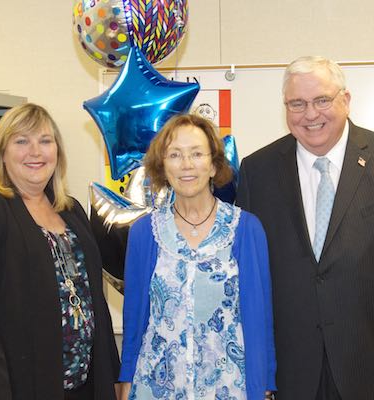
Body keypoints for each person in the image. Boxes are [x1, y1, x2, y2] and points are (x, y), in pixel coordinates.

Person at [236, 55, 374, 400]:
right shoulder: (257, 170)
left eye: (322, 100)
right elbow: (248, 276)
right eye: (297, 104)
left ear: (346, 100)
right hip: (290, 371)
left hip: (365, 365)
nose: (310, 114)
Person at [119, 114, 276, 400]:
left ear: (214, 165)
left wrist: (262, 385)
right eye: (175, 155)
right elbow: (135, 316)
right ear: (162, 166)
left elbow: (259, 317)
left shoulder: (245, 228)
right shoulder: (144, 232)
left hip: (228, 387)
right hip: (156, 387)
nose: (186, 164)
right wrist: (126, 377)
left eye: (196, 154)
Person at [0, 103, 120, 399]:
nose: (35, 152)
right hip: (23, 386)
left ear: (58, 152)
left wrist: (113, 376)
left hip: (85, 385)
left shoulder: (71, 210)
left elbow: (95, 301)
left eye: (45, 141)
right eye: (21, 141)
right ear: (2, 152)